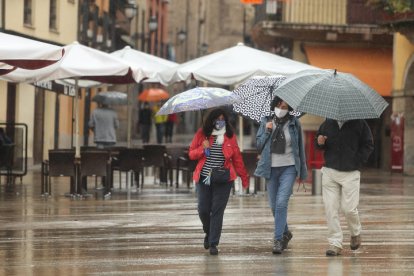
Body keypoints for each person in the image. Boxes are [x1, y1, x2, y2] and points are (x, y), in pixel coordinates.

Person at [189, 108, 249, 255]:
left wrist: (244, 178)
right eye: (217, 119)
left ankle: (214, 243)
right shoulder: (202, 134)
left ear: (226, 121)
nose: (219, 122)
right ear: (211, 120)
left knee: (217, 210)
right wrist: (202, 149)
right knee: (203, 209)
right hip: (204, 178)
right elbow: (191, 154)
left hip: (223, 178)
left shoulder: (230, 136)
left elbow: (237, 158)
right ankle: (209, 233)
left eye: (222, 119)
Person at [255, 96, 308, 254]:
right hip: (270, 168)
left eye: (285, 107)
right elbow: (258, 145)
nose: (281, 109)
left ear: (289, 109)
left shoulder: (294, 123)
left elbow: (300, 148)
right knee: (273, 206)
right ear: (274, 105)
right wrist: (267, 131)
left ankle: (278, 239)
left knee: (281, 203)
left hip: (289, 167)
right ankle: (286, 232)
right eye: (279, 105)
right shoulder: (265, 121)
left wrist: (302, 171)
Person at [315, 118, 373, 256]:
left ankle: (355, 232)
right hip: (330, 170)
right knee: (330, 209)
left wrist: (357, 160)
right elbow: (318, 142)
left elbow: (368, 145)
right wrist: (319, 142)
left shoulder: (360, 123)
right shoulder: (327, 122)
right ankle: (335, 243)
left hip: (351, 172)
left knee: (349, 209)